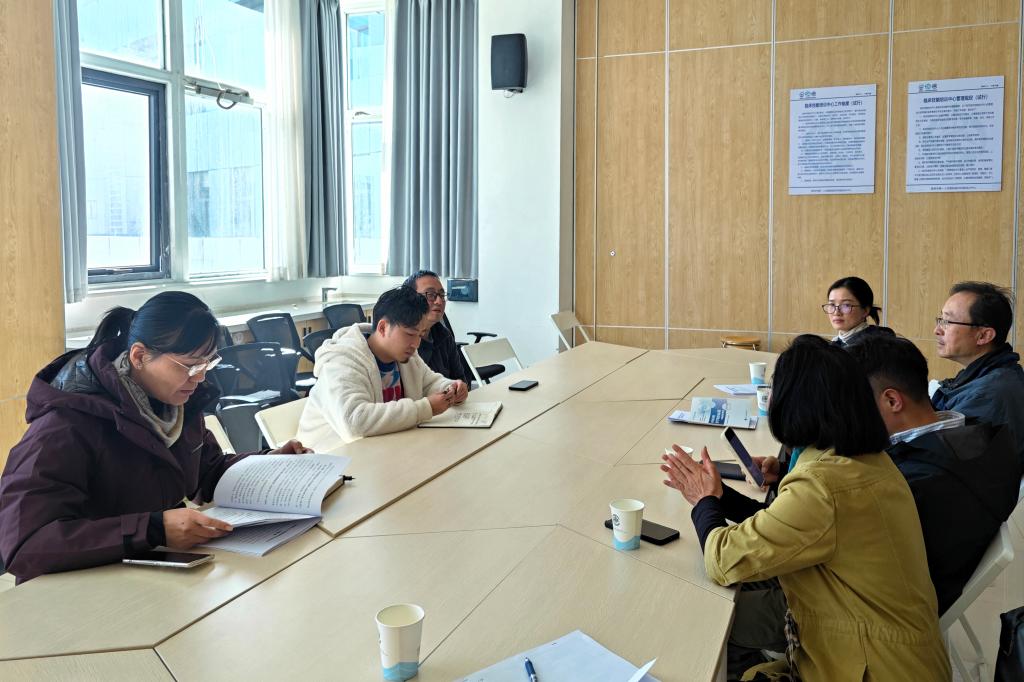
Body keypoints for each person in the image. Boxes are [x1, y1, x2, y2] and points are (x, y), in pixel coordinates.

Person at [660, 335, 949, 681]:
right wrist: (720, 496)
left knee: (706, 608)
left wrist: (703, 500)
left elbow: (723, 561)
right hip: (892, 657)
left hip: (870, 667)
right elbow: (786, 525)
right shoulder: (864, 459)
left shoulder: (823, 484)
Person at [0, 292, 310, 583]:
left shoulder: (174, 404)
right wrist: (153, 530)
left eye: (208, 363)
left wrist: (267, 464)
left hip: (146, 573)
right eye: (190, 366)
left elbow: (207, 471)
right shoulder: (65, 424)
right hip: (81, 589)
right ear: (139, 356)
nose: (201, 377)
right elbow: (25, 544)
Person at [848, 335, 1022, 614]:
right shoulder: (979, 433)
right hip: (933, 581)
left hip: (888, 610)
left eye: (853, 403)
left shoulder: (913, 483)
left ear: (892, 400)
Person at [296, 286, 469, 452]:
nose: (416, 343)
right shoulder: (342, 361)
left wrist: (450, 388)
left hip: (380, 451)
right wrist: (426, 408)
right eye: (410, 334)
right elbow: (354, 422)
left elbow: (429, 382)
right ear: (383, 327)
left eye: (420, 334)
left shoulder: (406, 355)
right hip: (327, 457)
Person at [932, 281, 1024, 465]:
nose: (937, 330)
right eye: (940, 319)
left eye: (947, 322)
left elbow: (940, 459)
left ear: (983, 336)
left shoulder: (989, 392)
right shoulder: (991, 374)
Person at [402, 270, 472, 385]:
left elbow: (460, 379)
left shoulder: (444, 335)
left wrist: (460, 389)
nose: (439, 301)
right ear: (409, 299)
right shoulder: (401, 340)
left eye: (442, 295)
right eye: (430, 294)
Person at [822, 276, 894, 347]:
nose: (836, 312)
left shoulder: (877, 346)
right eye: (832, 304)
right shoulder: (835, 343)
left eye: (846, 305)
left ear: (865, 310)